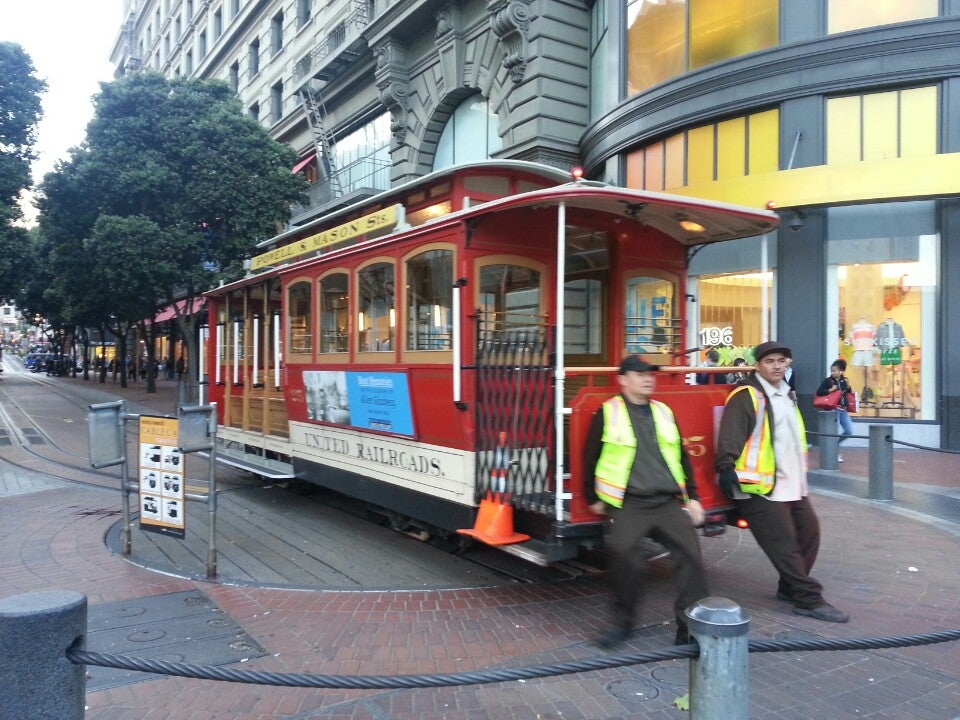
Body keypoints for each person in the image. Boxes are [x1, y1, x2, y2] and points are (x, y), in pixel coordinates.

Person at [714, 341, 849, 623]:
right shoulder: (746, 395)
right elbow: (730, 435)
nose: (777, 366)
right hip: (758, 487)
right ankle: (808, 599)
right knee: (784, 544)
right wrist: (726, 468)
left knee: (809, 532)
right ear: (758, 365)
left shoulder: (786, 394)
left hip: (790, 483)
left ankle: (789, 587)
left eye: (782, 361)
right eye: (770, 361)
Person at [584, 354, 710, 649]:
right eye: (640, 374)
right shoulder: (608, 412)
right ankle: (622, 624)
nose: (648, 379)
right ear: (623, 380)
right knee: (625, 555)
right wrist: (592, 497)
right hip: (630, 502)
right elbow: (589, 458)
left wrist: (693, 498)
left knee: (691, 556)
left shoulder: (664, 412)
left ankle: (689, 628)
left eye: (651, 375)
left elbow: (681, 458)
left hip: (666, 501)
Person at [816, 359, 854, 462]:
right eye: (831, 371)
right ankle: (834, 454)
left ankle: (834, 446)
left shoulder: (844, 380)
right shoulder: (828, 381)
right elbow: (819, 392)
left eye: (835, 371)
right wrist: (830, 389)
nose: (833, 373)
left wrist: (848, 387)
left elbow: (848, 393)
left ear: (841, 371)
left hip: (843, 410)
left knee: (849, 431)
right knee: (834, 432)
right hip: (833, 410)